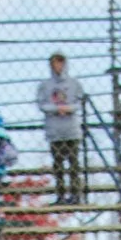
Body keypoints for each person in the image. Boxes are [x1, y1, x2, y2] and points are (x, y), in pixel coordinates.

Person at [35, 53, 87, 203]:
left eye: (60, 63)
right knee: (58, 165)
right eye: (55, 64)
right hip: (54, 130)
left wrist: (68, 108)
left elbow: (79, 102)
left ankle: (76, 194)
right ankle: (61, 195)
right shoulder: (44, 86)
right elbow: (41, 104)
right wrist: (56, 109)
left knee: (74, 164)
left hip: (72, 129)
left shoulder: (74, 84)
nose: (58, 67)